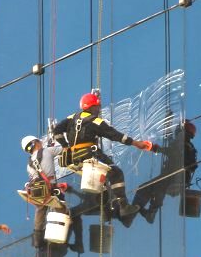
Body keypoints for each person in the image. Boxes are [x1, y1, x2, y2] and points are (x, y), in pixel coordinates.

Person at [51, 91, 152, 224]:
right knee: (116, 173)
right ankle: (123, 206)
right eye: (98, 107)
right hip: (89, 154)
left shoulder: (72, 118)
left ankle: (105, 211)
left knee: (103, 183)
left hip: (73, 158)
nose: (99, 109)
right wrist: (136, 143)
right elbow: (115, 135)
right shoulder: (96, 121)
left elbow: (56, 131)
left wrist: (65, 146)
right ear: (92, 107)